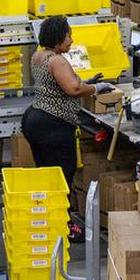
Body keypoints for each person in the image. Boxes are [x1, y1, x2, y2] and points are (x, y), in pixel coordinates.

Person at [23, 16, 112, 243]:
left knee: (48, 174)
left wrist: (84, 81)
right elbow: (72, 88)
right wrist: (94, 88)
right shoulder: (57, 60)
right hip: (53, 125)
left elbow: (59, 84)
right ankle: (65, 224)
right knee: (64, 173)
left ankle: (50, 219)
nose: (71, 40)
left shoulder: (39, 55)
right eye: (68, 36)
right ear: (58, 38)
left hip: (36, 118)